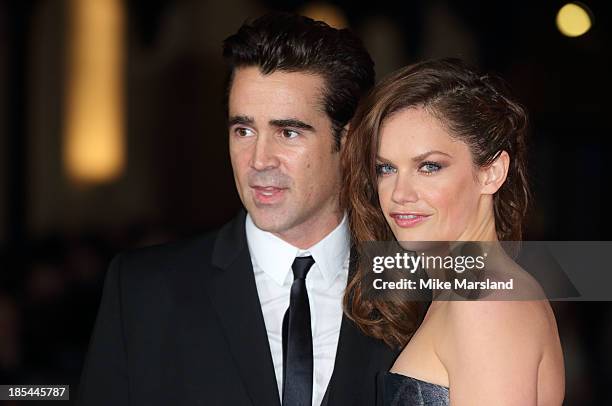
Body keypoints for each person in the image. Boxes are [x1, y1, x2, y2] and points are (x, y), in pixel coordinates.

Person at [77, 12, 397, 406]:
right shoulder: (144, 289)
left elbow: (493, 275)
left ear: (348, 142)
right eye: (243, 130)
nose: (259, 159)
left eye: (288, 132)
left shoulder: (419, 275)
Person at [342, 58, 565, 405]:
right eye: (386, 168)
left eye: (429, 166)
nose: (400, 193)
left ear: (491, 173)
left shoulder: (484, 303)